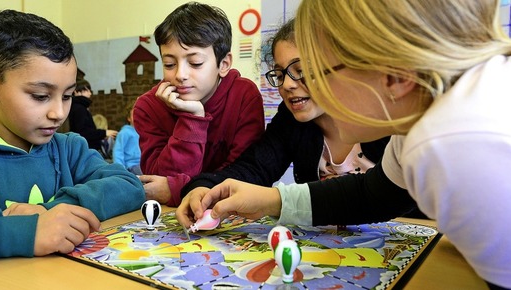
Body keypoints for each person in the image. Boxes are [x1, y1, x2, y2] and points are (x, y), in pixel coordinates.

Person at [182, 1, 511, 289]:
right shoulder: (433, 115)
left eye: (318, 72)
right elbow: (374, 193)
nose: (302, 87)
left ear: (393, 75)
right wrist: (272, 201)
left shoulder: (451, 143)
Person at [0, 9, 145, 267]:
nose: (58, 113)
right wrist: (22, 231)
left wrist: (51, 211)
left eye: (67, 96)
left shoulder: (69, 148)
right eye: (40, 96)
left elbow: (128, 186)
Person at [179, 19, 418, 222]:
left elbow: (379, 197)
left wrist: (273, 201)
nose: (287, 84)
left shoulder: (408, 128)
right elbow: (253, 167)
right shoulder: (292, 120)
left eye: (302, 70)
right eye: (280, 73)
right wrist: (204, 187)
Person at [133, 2, 265, 207]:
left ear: (224, 64)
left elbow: (245, 176)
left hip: (231, 215)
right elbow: (159, 183)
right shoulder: (148, 107)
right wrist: (192, 119)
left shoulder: (244, 96)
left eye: (195, 63)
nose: (180, 75)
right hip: (170, 220)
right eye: (169, 64)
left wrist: (178, 188)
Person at [68, 79, 118, 157]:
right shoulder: (79, 109)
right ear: (76, 92)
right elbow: (83, 132)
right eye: (86, 90)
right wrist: (104, 133)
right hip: (85, 152)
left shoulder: (79, 107)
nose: (90, 93)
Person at [113, 100, 142, 175]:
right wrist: (121, 170)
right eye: (134, 115)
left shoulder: (144, 131)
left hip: (144, 164)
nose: (137, 117)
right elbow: (118, 151)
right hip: (132, 165)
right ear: (128, 118)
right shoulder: (125, 132)